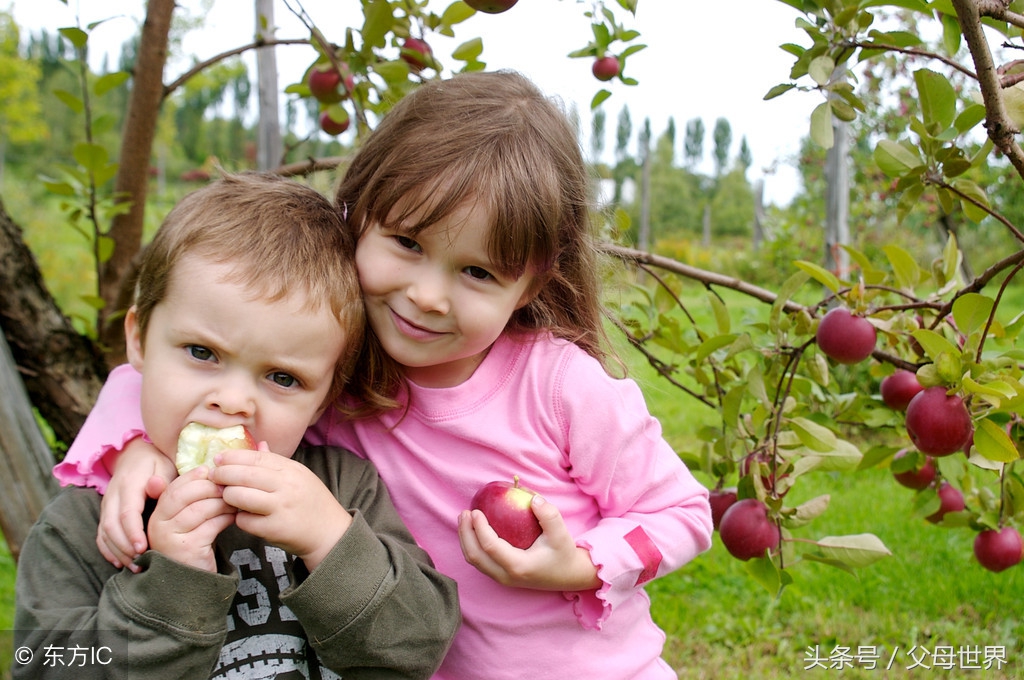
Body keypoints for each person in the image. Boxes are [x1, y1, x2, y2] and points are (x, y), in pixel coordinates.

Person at [52, 72, 713, 679]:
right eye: (407, 244)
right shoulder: (332, 363)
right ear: (358, 214)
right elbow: (201, 365)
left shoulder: (559, 386)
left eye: (478, 272)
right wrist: (134, 445)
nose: (427, 295)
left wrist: (582, 565)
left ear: (531, 282)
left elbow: (682, 511)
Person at [15, 173, 460, 679]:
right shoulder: (84, 529)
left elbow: (420, 647)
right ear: (138, 340)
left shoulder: (341, 490)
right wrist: (173, 587)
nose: (232, 402)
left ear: (324, 402)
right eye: (202, 353)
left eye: (283, 378)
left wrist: (330, 541)